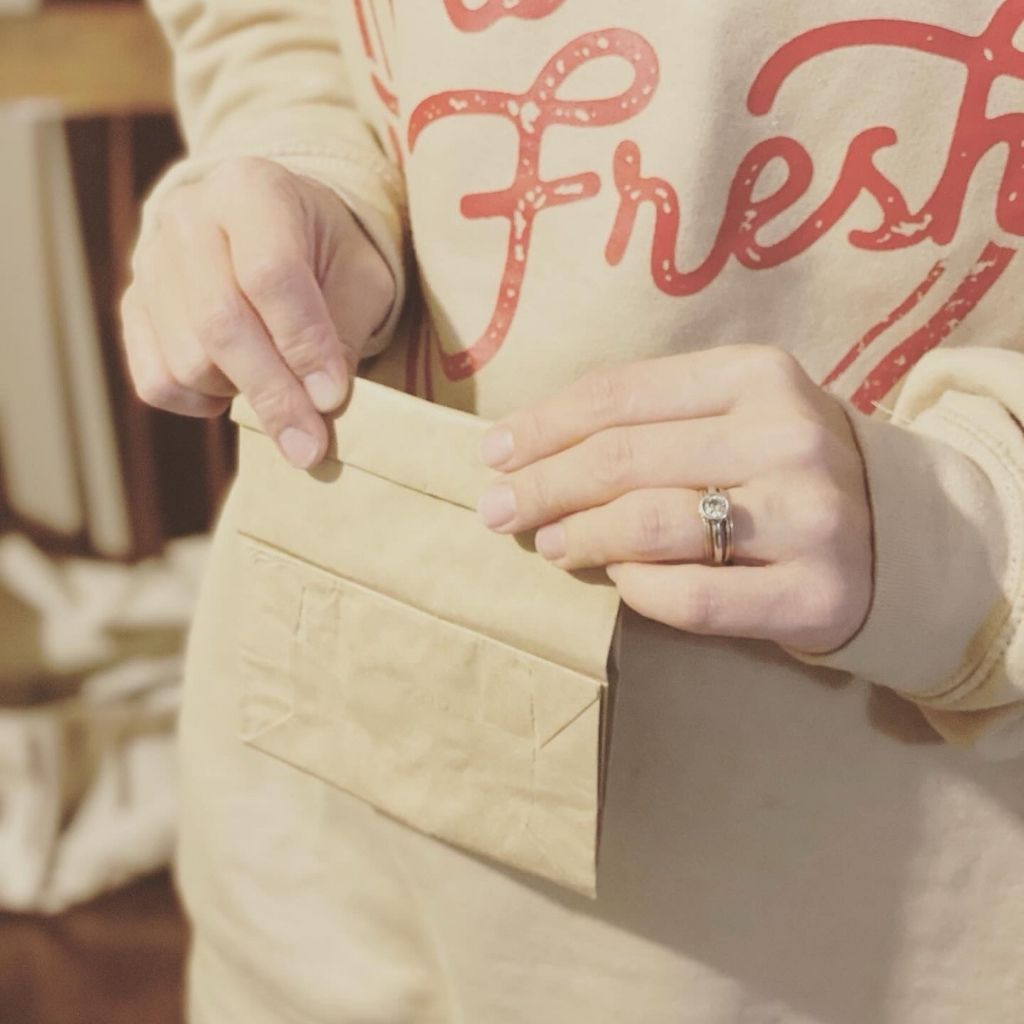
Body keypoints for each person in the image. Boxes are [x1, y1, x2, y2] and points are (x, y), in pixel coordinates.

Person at [122, 1, 1024, 1020]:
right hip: (327, 872)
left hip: (878, 922)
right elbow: (266, 23)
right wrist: (302, 170)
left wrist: (955, 534)